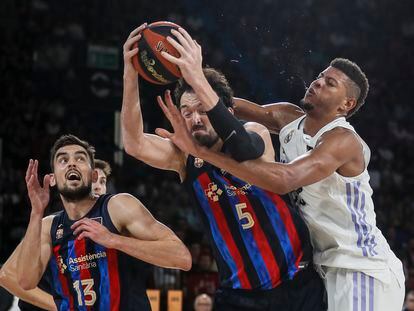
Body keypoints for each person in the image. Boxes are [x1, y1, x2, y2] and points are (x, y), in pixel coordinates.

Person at [157, 48, 405, 310]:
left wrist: (202, 152)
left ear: (346, 105)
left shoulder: (342, 141)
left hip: (360, 267)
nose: (318, 82)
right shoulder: (287, 117)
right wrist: (193, 82)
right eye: (320, 76)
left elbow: (284, 180)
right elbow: (223, 105)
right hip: (323, 268)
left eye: (330, 84)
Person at [122, 25, 325, 310]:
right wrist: (131, 73)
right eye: (187, 112)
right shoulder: (184, 157)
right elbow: (133, 143)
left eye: (203, 110)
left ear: (226, 112)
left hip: (297, 286)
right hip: (239, 296)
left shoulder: (254, 131)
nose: (194, 119)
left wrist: (196, 75)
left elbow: (246, 149)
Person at [15, 134, 191, 310]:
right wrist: (36, 212)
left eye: (80, 158)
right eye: (63, 160)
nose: (71, 163)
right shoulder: (48, 226)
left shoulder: (117, 207)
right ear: (52, 179)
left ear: (93, 176)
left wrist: (114, 240)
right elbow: (25, 281)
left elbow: (181, 257)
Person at [0, 159, 114, 310]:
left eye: (103, 181)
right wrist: (62, 306)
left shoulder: (106, 230)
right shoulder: (51, 225)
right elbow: (7, 276)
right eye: (93, 180)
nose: (99, 186)